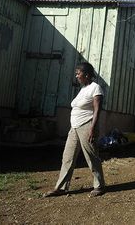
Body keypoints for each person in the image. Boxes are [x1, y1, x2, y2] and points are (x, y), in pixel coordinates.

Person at [44, 62, 106, 198]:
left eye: (79, 73)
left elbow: (97, 110)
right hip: (75, 127)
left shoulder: (96, 88)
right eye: (76, 73)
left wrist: (92, 128)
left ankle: (99, 185)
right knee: (68, 157)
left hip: (87, 126)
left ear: (87, 75)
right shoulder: (83, 89)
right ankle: (61, 188)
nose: (77, 76)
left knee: (91, 156)